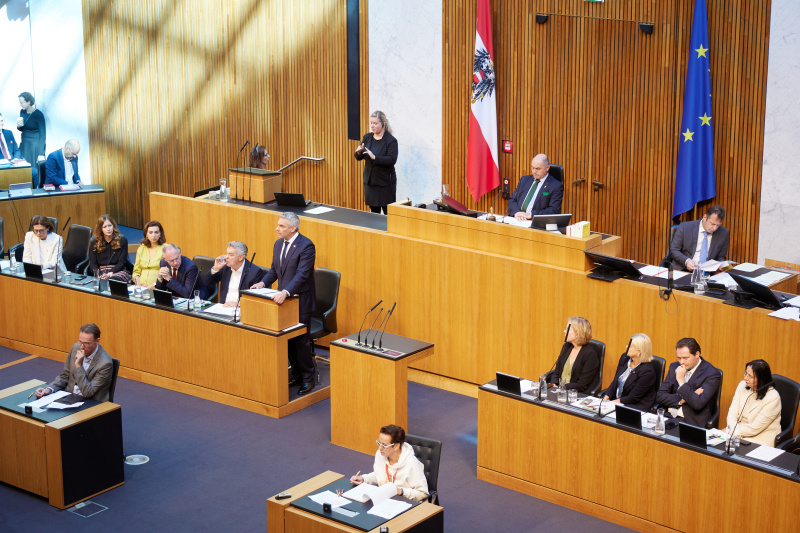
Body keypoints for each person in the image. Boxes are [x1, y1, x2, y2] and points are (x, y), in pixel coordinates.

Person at [250, 212, 316, 394]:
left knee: (301, 341)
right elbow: (275, 270)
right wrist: (263, 282)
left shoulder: (307, 246)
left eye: (281, 226)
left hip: (300, 300)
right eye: (278, 225)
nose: (277, 228)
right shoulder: (279, 244)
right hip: (284, 301)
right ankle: (295, 374)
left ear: (293, 228)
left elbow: (302, 275)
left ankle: (308, 378)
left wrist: (286, 291)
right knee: (287, 341)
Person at [34, 323, 113, 402]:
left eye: (86, 343)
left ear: (97, 341)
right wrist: (49, 389)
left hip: (90, 402)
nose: (81, 346)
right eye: (80, 341)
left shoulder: (105, 363)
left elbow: (88, 392)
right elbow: (65, 375)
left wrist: (78, 366)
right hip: (69, 397)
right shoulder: (75, 348)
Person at [349, 424, 429, 502]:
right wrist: (364, 479)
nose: (380, 448)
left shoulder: (411, 464)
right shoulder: (381, 454)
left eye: (384, 445)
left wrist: (401, 491)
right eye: (379, 443)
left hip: (405, 502)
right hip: (386, 500)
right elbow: (380, 475)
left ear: (396, 446)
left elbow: (423, 493)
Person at [656, 338, 722, 428]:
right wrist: (682, 400)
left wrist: (681, 380)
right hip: (668, 416)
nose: (681, 362)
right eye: (679, 358)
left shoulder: (712, 374)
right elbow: (659, 396)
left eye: (685, 358)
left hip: (691, 421)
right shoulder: (674, 366)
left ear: (697, 354)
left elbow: (698, 403)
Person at [723, 359, 782, 447]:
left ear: (761, 379)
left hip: (760, 438)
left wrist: (731, 432)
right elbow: (732, 414)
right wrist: (732, 431)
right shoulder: (742, 385)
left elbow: (755, 428)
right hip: (739, 433)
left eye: (750, 376)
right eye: (745, 373)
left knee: (729, 449)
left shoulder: (773, 397)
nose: (745, 378)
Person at [354, 110, 398, 214]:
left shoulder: (391, 141)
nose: (372, 126)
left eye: (375, 123)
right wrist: (359, 152)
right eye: (371, 123)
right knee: (374, 214)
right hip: (370, 182)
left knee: (388, 214)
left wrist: (375, 157)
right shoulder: (367, 137)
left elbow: (392, 160)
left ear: (383, 124)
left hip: (385, 183)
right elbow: (358, 157)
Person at [602, 334, 657, 411]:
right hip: (619, 401)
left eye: (630, 346)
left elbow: (633, 397)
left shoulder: (647, 371)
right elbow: (615, 381)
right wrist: (605, 398)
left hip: (635, 406)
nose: (626, 347)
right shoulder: (624, 358)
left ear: (639, 352)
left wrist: (612, 403)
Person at [669, 205, 730, 271]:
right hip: (684, 269)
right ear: (705, 217)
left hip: (707, 273)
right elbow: (674, 250)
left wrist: (719, 266)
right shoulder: (685, 227)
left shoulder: (724, 233)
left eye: (718, 225)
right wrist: (687, 261)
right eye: (712, 224)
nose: (714, 228)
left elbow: (721, 256)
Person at [547, 317, 600, 393]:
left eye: (567, 329)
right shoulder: (566, 347)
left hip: (576, 395)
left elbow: (581, 385)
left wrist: (560, 387)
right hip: (559, 391)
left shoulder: (590, 355)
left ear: (578, 333)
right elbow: (557, 372)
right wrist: (554, 384)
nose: (564, 331)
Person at [202, 241, 262, 307]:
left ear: (241, 257)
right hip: (223, 307)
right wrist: (215, 269)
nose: (227, 257)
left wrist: (238, 304)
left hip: (241, 310)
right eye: (227, 254)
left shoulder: (255, 272)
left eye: (231, 255)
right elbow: (205, 284)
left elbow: (255, 300)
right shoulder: (225, 268)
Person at [506, 154, 564, 220]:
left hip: (535, 221)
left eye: (538, 169)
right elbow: (512, 200)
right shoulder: (524, 180)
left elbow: (553, 210)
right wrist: (516, 212)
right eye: (532, 168)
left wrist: (531, 215)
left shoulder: (555, 186)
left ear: (547, 168)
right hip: (517, 219)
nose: (534, 171)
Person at [17, 91, 46, 185]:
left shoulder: (38, 114)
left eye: (22, 102)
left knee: (34, 169)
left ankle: (35, 190)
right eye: (20, 102)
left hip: (34, 145)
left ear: (29, 101)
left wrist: (41, 153)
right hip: (25, 144)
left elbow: (43, 135)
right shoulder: (22, 112)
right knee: (24, 168)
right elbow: (23, 129)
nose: (20, 104)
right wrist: (19, 127)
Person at [88, 215, 129, 280]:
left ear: (113, 226)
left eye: (110, 226)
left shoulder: (122, 240)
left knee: (112, 280)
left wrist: (111, 273)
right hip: (101, 272)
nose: (108, 229)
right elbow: (93, 264)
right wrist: (99, 274)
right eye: (105, 227)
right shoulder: (94, 242)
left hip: (118, 271)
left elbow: (122, 262)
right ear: (100, 229)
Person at [132, 220, 166, 288]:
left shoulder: (166, 248)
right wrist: (137, 282)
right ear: (146, 234)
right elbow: (136, 271)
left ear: (160, 234)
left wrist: (153, 285)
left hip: (157, 287)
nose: (153, 235)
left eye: (156, 232)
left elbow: (167, 273)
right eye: (150, 232)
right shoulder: (141, 248)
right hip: (140, 287)